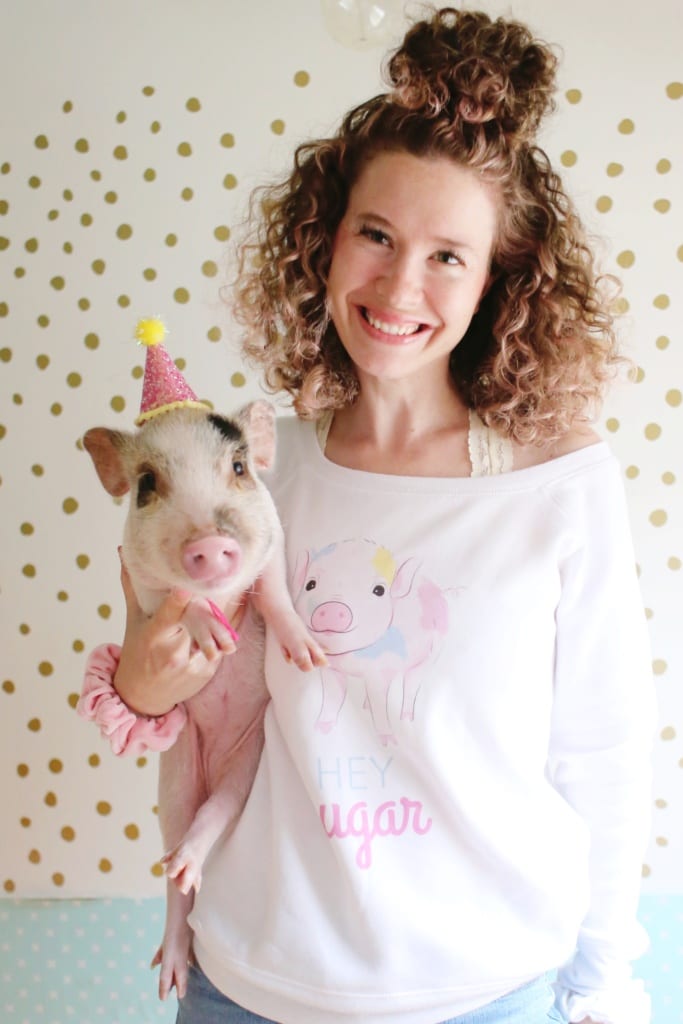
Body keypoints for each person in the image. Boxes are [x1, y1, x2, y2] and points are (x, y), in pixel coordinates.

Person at [79, 7, 657, 1023]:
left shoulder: (557, 484)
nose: (398, 284)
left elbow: (603, 753)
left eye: (447, 255)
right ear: (326, 238)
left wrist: (601, 983)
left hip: (488, 990)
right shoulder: (253, 472)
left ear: (497, 281)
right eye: (375, 235)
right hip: (243, 982)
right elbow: (153, 685)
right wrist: (145, 675)